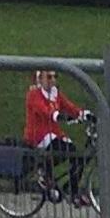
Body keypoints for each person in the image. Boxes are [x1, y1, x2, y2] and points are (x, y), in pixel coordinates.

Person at [23, 68, 92, 196]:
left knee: (76, 157)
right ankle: (43, 171)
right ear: (40, 79)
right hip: (38, 135)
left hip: (53, 133)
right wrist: (58, 116)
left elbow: (69, 106)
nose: (53, 80)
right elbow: (44, 110)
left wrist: (83, 114)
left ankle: (72, 188)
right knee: (65, 150)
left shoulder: (55, 93)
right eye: (49, 77)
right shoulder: (34, 94)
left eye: (55, 76)